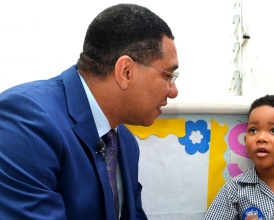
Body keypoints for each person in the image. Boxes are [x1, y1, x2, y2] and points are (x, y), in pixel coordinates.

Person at [0, 4, 179, 220]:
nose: (173, 91)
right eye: (168, 75)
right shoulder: (26, 121)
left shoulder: (126, 142)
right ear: (126, 71)